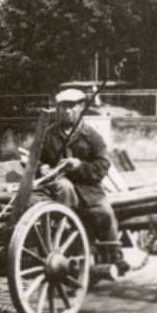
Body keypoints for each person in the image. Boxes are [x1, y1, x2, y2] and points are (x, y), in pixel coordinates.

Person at [35, 88, 129, 275]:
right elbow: (34, 157)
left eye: (71, 107)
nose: (67, 111)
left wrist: (79, 166)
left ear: (82, 107)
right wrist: (41, 167)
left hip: (89, 189)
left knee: (105, 213)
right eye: (63, 107)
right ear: (58, 109)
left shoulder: (92, 136)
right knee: (64, 185)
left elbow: (102, 165)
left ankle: (114, 255)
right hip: (59, 189)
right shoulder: (49, 134)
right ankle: (64, 230)